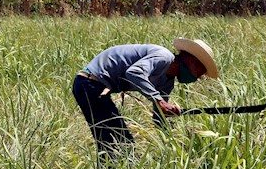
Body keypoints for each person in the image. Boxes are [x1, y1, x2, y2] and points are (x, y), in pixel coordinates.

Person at [72, 38, 218, 160]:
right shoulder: (164, 56)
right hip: (89, 83)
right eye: (200, 71)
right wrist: (159, 101)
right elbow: (134, 73)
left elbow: (158, 117)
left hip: (97, 88)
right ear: (191, 61)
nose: (198, 78)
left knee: (118, 141)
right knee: (116, 141)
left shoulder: (167, 82)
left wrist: (171, 137)